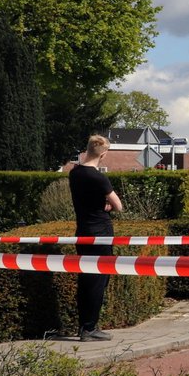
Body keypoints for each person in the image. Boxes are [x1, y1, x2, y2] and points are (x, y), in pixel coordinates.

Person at [65, 134, 123, 341]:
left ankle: (83, 326)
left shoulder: (75, 173)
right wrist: (106, 205)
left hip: (83, 231)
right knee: (98, 280)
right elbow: (118, 206)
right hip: (101, 233)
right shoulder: (99, 178)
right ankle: (90, 328)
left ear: (88, 149)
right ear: (103, 154)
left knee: (85, 278)